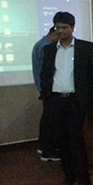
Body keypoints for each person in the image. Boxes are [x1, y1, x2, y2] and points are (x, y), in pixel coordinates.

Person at [41, 12, 93, 185]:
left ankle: (84, 179)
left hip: (76, 101)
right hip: (56, 101)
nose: (61, 31)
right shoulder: (49, 50)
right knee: (60, 140)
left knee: (76, 139)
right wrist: (46, 97)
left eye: (65, 27)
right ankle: (69, 176)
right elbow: (46, 75)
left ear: (73, 28)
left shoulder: (85, 48)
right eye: (58, 27)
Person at [31, 26, 60, 161]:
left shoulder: (39, 44)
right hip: (49, 89)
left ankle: (43, 146)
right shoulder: (46, 47)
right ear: (55, 34)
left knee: (47, 119)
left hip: (44, 89)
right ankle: (48, 152)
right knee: (52, 121)